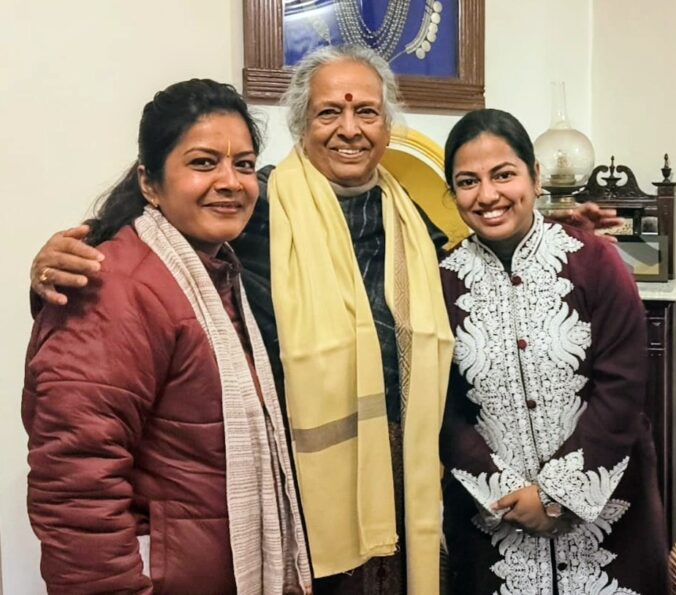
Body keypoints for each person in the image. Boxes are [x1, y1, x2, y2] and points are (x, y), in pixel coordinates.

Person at [27, 46, 620, 595]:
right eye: (329, 112)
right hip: (304, 482)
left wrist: (558, 231)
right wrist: (65, 259)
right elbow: (153, 254)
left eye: (367, 111)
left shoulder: (412, 219)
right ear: (301, 126)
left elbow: (481, 261)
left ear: (387, 125)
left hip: (408, 477)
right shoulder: (257, 207)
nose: (349, 128)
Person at [22, 79, 311, 594]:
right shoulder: (114, 285)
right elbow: (76, 483)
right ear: (149, 183)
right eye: (203, 163)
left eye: (244, 165)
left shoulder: (224, 271)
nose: (230, 181)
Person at [438, 108, 668, 594]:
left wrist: (556, 496)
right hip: (494, 522)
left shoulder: (596, 261)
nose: (488, 195)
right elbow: (443, 410)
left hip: (607, 517)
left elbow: (623, 387)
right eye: (467, 182)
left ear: (536, 176)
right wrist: (506, 492)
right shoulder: (441, 281)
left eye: (504, 175)